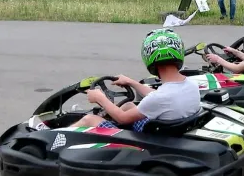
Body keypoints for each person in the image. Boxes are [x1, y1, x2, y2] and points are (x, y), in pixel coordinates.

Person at [70, 28, 201, 132]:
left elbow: (122, 119)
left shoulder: (160, 98)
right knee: (127, 106)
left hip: (148, 143)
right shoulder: (191, 85)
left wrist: (100, 98)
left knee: (89, 120)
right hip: (170, 134)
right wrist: (131, 82)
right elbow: (160, 97)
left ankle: (52, 139)